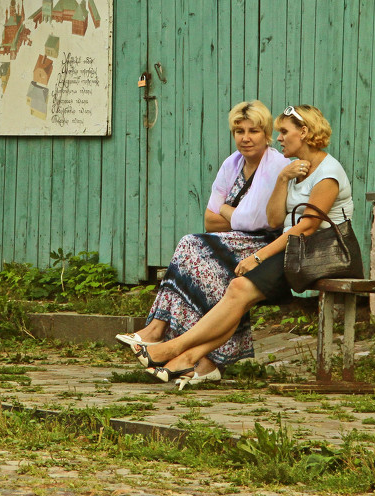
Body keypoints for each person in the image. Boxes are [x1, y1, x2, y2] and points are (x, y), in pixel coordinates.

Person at [133, 105, 355, 383]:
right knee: (237, 289)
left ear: (305, 132)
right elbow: (276, 219)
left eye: (284, 132)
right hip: (295, 251)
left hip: (319, 255)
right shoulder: (294, 170)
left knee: (239, 289)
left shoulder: (328, 173)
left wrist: (258, 257)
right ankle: (189, 358)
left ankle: (174, 348)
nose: (280, 138)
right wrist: (283, 179)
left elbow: (306, 227)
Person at [116, 100, 289, 387]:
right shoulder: (231, 164)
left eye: (253, 131)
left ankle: (161, 333)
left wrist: (228, 211)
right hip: (232, 240)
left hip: (264, 246)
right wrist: (241, 216)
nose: (245, 138)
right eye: (239, 131)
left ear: (267, 134)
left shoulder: (276, 166)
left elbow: (266, 222)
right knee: (208, 271)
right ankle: (203, 360)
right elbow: (210, 221)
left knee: (191, 245)